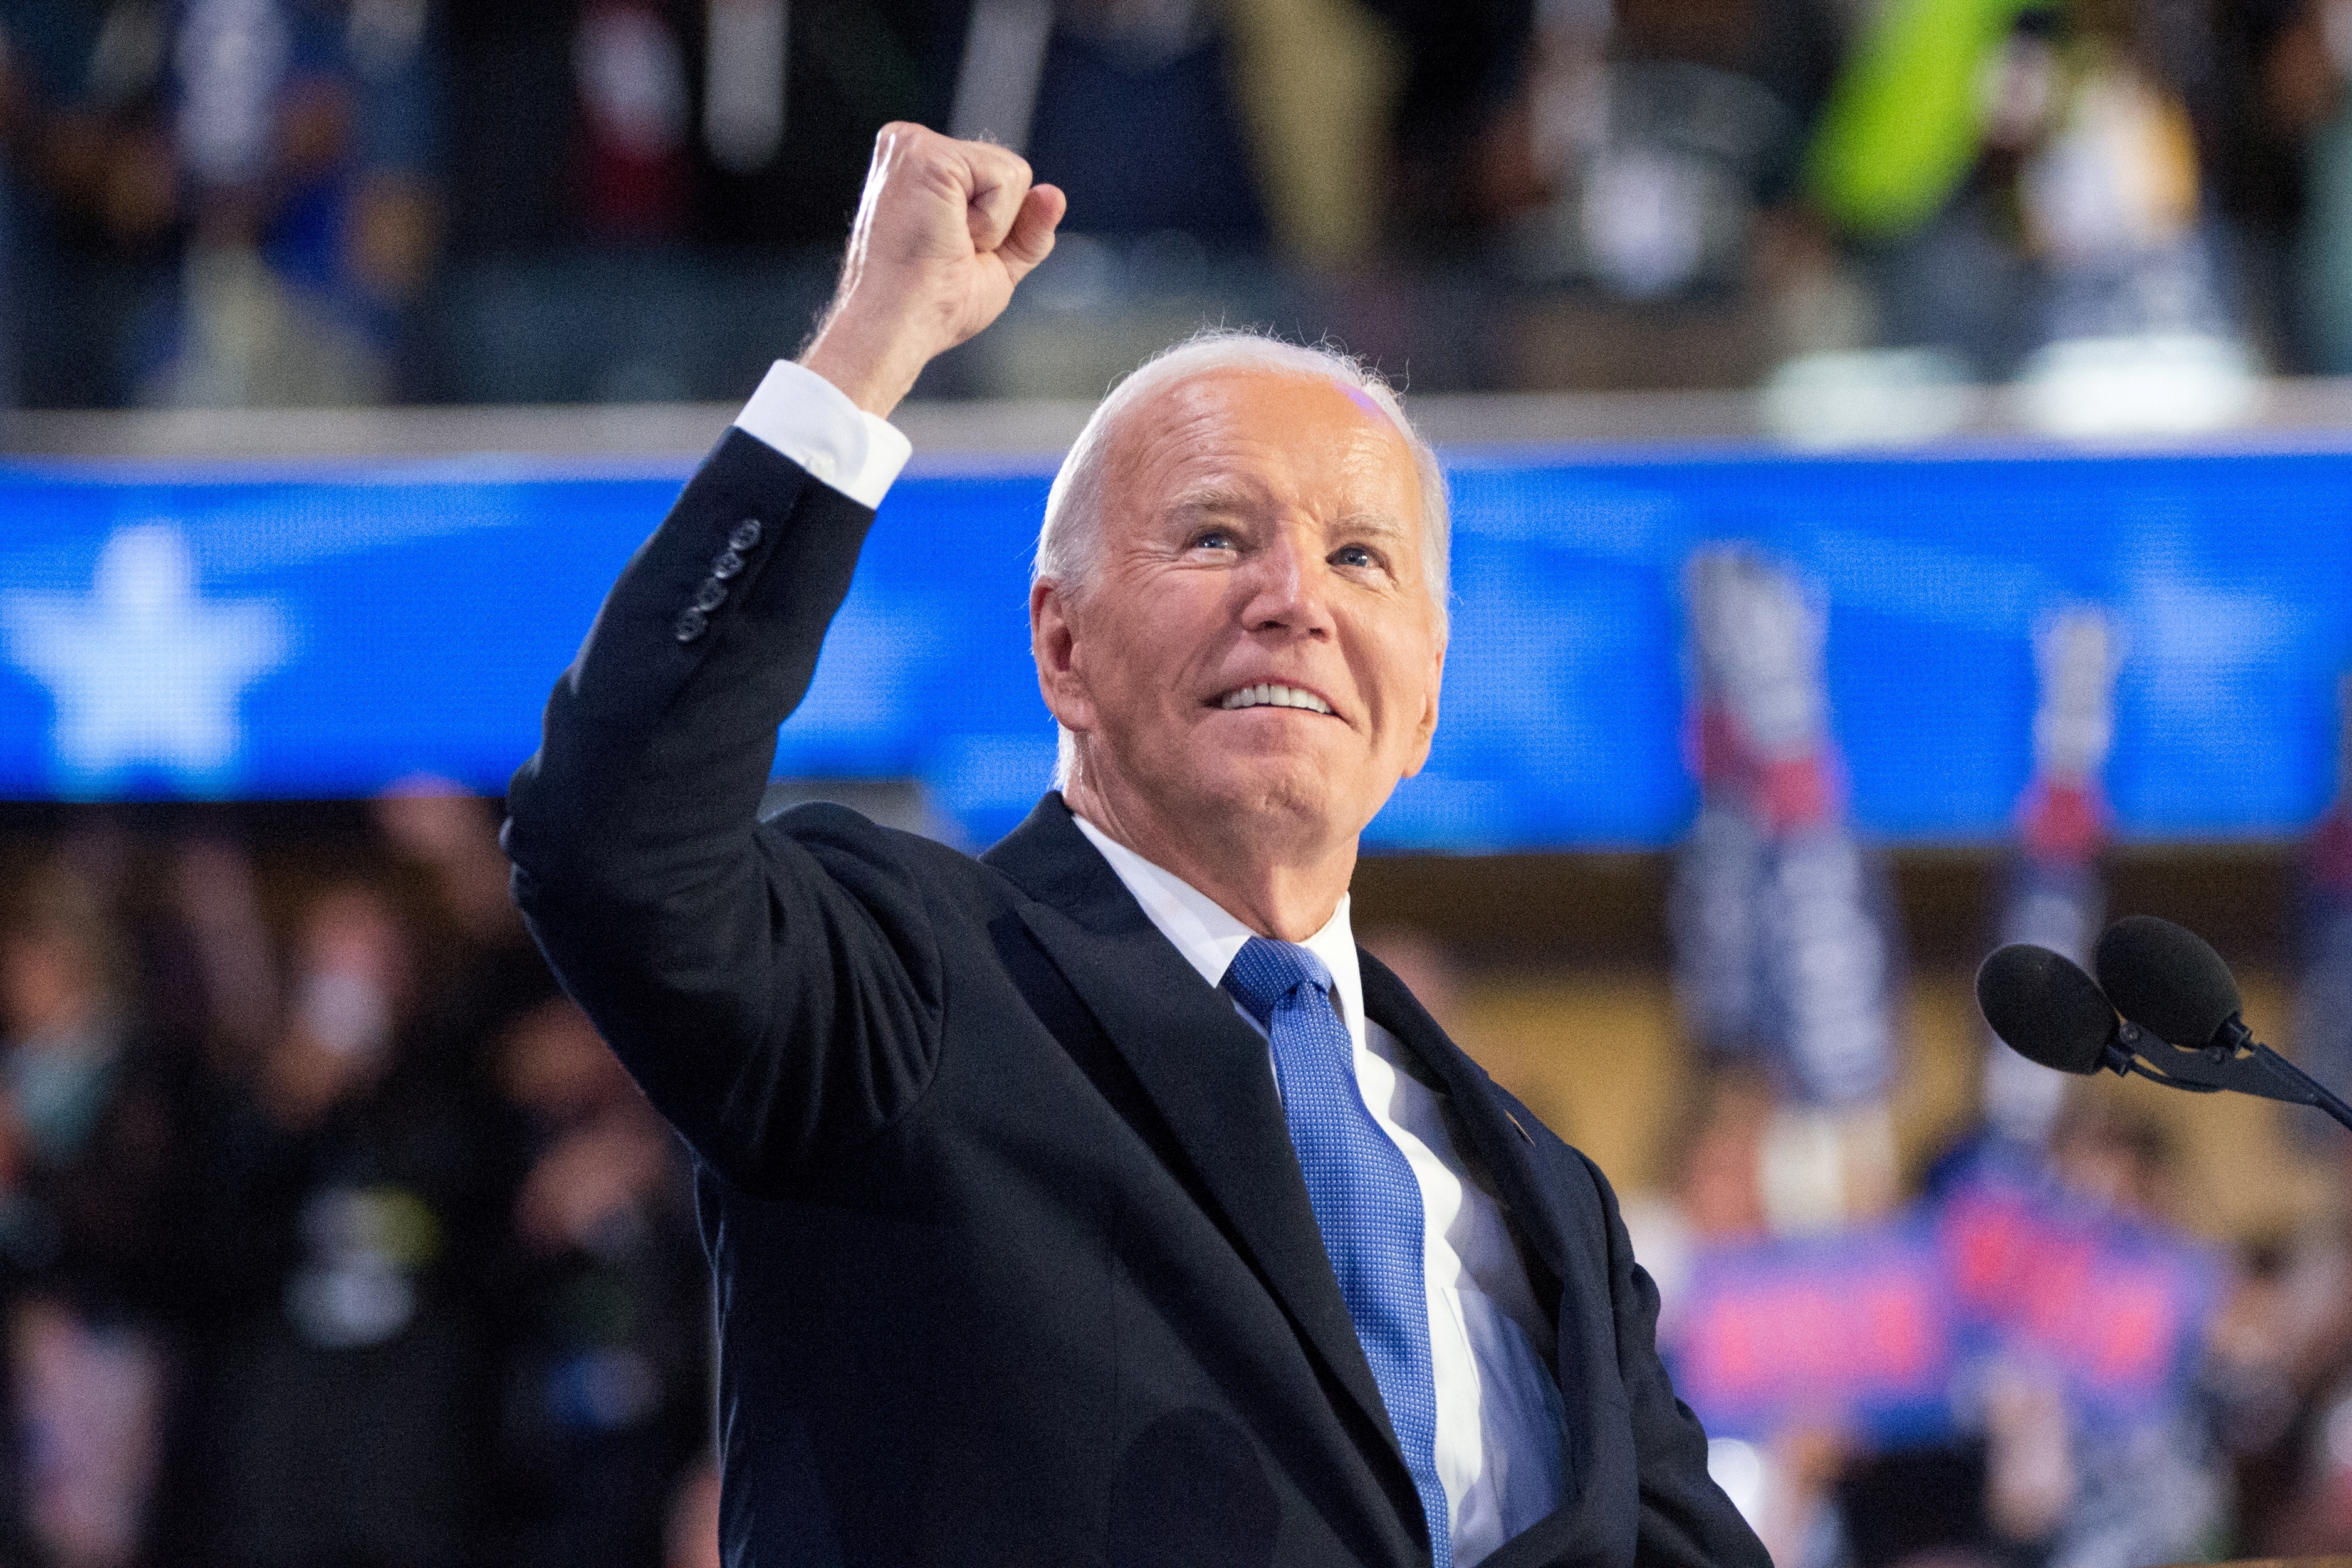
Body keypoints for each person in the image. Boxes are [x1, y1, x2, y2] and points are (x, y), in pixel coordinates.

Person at [504, 121, 1767, 1567]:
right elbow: (610, 842)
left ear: (1421, 705)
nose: (1294, 597)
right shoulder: (898, 994)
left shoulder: (1547, 1199)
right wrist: (868, 347)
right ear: (1061, 647)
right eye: (1218, 537)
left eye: (1359, 558)